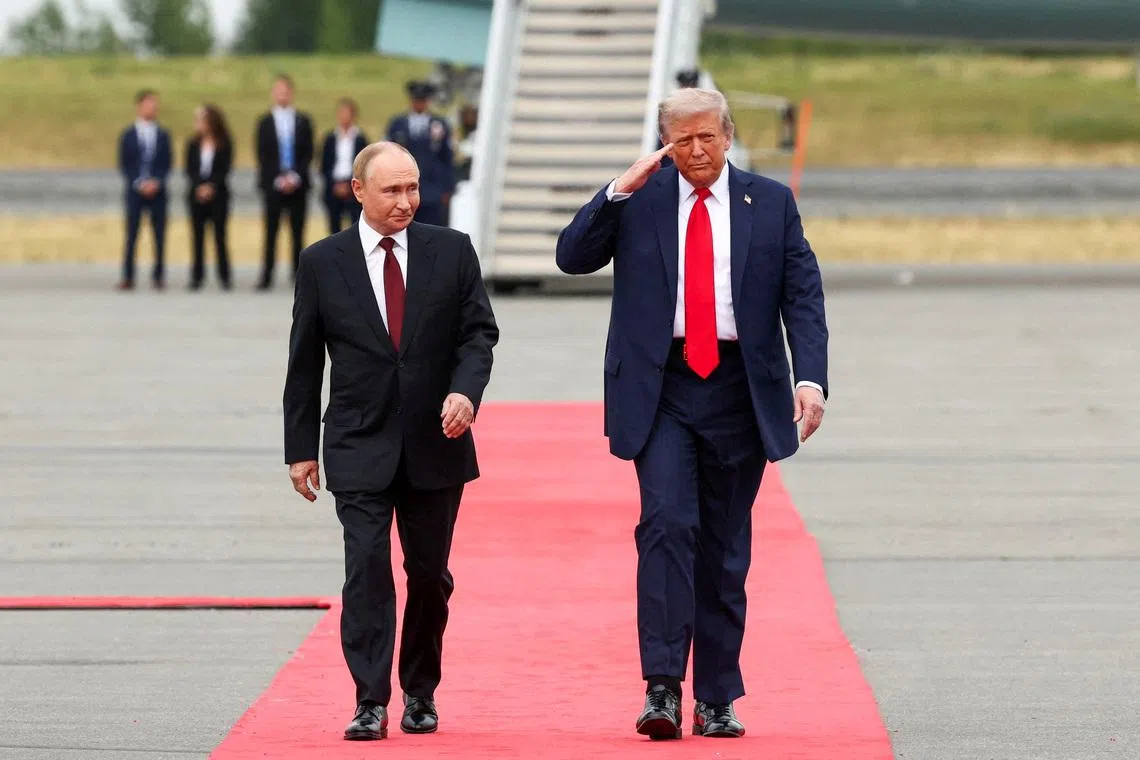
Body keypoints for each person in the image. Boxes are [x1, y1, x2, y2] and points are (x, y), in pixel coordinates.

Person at [554, 88, 829, 741]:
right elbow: (571, 258)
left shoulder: (771, 203)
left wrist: (810, 378)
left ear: (728, 136)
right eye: (683, 140)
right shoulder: (640, 200)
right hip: (662, 389)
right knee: (667, 525)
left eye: (708, 136)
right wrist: (616, 190)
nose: (698, 150)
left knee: (724, 547)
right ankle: (662, 686)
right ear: (665, 144)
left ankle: (716, 696)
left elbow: (802, 295)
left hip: (740, 389)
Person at [282, 141, 498, 742]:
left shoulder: (451, 251)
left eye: (413, 188)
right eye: (392, 190)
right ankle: (370, 700)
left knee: (428, 575)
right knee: (366, 570)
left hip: (436, 442)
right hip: (357, 443)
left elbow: (478, 335)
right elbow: (304, 363)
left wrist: (465, 392)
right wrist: (299, 448)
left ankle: (420, 691)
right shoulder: (322, 262)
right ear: (358, 191)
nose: (406, 201)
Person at [254, 73, 315, 290]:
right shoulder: (265, 122)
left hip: (298, 184)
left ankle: (298, 276)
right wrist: (279, 179)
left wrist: (295, 176)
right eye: (278, 90)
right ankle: (267, 275)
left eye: (286, 90)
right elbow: (263, 154)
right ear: (273, 93)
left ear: (291, 93)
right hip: (274, 185)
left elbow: (308, 152)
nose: (282, 94)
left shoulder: (303, 120)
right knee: (271, 232)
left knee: (298, 232)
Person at [117, 89, 172, 290]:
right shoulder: (128, 135)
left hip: (158, 192)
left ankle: (158, 276)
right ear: (139, 106)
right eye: (149, 104)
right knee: (132, 234)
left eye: (155, 105)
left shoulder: (163, 135)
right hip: (135, 192)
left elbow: (167, 163)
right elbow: (125, 164)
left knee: (159, 235)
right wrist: (139, 183)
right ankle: (128, 276)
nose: (153, 108)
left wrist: (156, 182)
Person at [385, 81, 455, 226]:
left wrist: (447, 188)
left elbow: (447, 157)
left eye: (422, 100)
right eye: (416, 100)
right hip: (404, 188)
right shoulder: (397, 124)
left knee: (432, 229)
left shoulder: (439, 124)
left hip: (432, 189)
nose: (419, 104)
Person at [184, 103, 233, 290]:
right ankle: (197, 276)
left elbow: (224, 168)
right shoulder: (193, 144)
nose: (198, 124)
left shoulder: (224, 143)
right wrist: (199, 186)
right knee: (197, 236)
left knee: (220, 236)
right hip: (197, 195)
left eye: (201, 120)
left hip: (218, 195)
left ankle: (224, 276)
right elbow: (190, 168)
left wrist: (211, 186)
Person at [320, 97, 368, 234]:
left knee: (356, 226)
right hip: (333, 187)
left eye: (347, 113)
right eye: (341, 113)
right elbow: (324, 164)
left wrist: (349, 185)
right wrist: (335, 184)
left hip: (353, 187)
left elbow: (364, 165)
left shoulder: (360, 139)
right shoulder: (330, 138)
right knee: (333, 228)